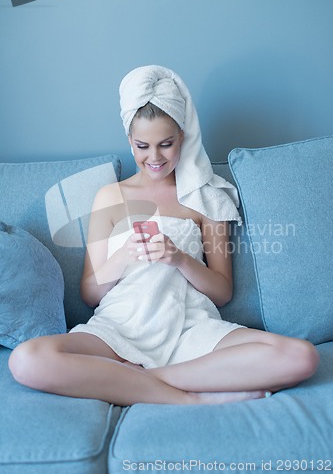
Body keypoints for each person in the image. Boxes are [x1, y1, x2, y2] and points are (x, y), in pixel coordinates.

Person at [8, 65, 319, 406]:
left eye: (166, 144)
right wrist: (124, 254)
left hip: (192, 329)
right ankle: (191, 399)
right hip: (119, 329)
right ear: (129, 140)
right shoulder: (111, 197)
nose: (153, 157)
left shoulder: (206, 198)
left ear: (182, 138)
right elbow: (90, 294)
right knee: (26, 360)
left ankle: (141, 379)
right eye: (142, 145)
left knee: (301, 357)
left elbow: (222, 292)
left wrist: (179, 258)